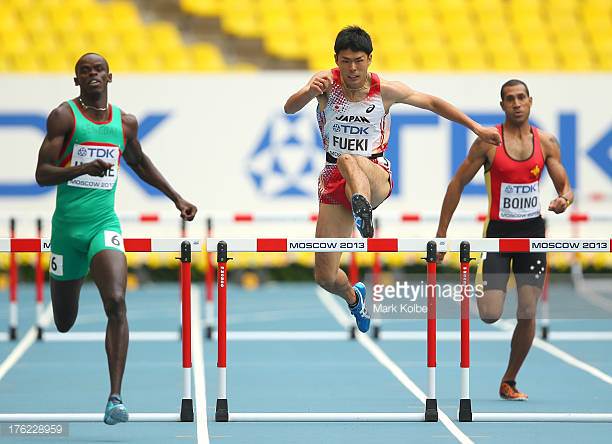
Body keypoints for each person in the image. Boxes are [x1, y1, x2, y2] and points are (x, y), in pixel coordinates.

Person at [284, 26, 501, 333]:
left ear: (369, 59)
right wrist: (307, 91)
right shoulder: (325, 86)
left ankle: (362, 210)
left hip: (375, 174)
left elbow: (433, 103)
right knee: (326, 277)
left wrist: (476, 128)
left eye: (358, 60)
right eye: (345, 61)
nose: (352, 68)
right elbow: (289, 108)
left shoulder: (385, 90)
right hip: (335, 178)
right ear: (336, 60)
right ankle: (354, 296)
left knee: (350, 159)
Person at [35, 53, 197, 424]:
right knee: (63, 320)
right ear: (76, 81)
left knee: (117, 302)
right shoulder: (64, 116)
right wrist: (83, 168)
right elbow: (42, 174)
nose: (92, 75)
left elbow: (139, 163)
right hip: (66, 231)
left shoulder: (124, 123)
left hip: (103, 225)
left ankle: (115, 397)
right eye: (84, 72)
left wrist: (177, 197)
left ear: (110, 76)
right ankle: (66, 283)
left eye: (97, 70)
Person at [436, 79, 573, 400]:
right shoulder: (488, 143)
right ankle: (485, 286)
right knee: (490, 314)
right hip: (497, 235)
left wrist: (563, 201)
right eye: (509, 99)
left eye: (521, 97)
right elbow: (455, 184)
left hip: (532, 236)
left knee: (527, 311)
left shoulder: (547, 142)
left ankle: (508, 380)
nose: (516, 103)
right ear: (502, 106)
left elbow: (565, 188)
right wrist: (442, 234)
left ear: (530, 101)